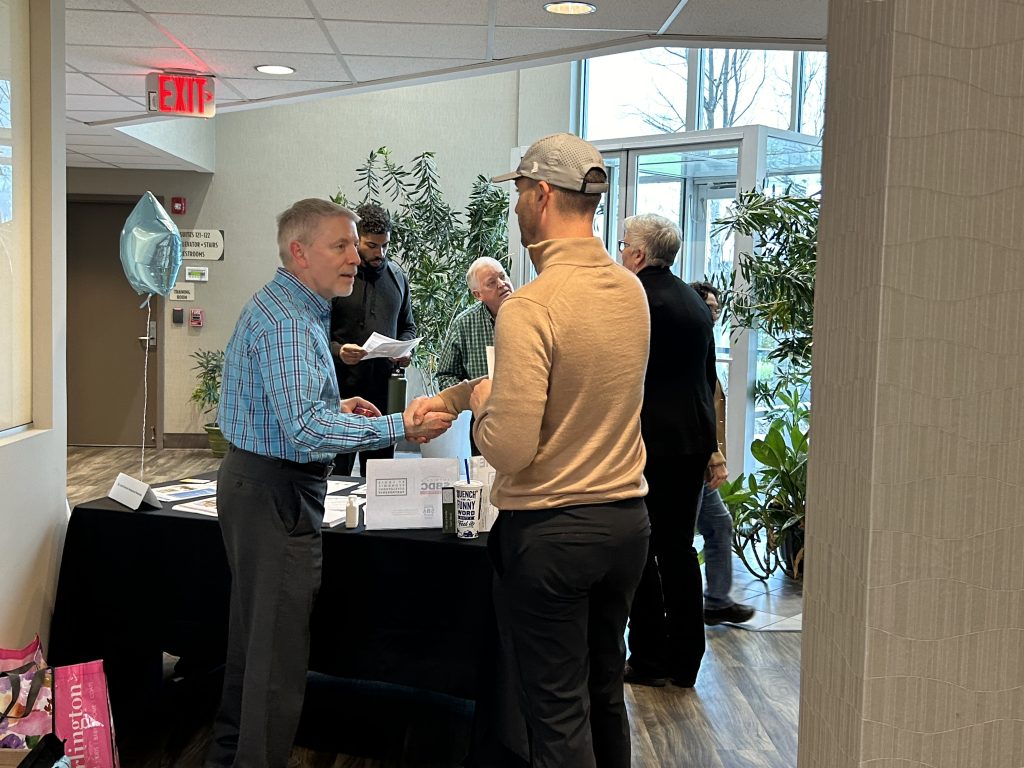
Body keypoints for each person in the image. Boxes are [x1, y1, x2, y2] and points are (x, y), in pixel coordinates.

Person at [413, 133, 650, 768]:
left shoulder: (532, 307)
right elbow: (582, 398)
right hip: (626, 523)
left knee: (556, 714)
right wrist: (466, 393)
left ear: (542, 194)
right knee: (604, 696)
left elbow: (511, 450)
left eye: (518, 192)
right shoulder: (631, 292)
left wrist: (481, 402)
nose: (515, 206)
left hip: (552, 533)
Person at [205, 198, 453, 768]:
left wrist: (333, 403)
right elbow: (307, 430)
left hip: (258, 483)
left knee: (252, 650)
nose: (353, 257)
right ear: (299, 252)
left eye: (353, 244)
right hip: (276, 493)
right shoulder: (293, 321)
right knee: (275, 665)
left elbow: (289, 410)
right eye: (339, 245)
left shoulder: (290, 306)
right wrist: (401, 423)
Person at [619, 213, 719, 689]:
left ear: (638, 255)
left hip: (650, 444)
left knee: (641, 551)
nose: (619, 255)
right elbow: (708, 379)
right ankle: (686, 661)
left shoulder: (635, 303)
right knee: (678, 552)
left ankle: (648, 659)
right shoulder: (696, 303)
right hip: (693, 442)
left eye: (622, 247)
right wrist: (714, 449)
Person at [330, 202, 416, 476]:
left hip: (382, 396)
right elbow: (315, 333)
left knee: (379, 477)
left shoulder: (398, 278)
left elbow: (408, 327)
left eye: (385, 246)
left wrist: (405, 350)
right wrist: (339, 350)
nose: (380, 253)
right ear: (356, 241)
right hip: (340, 394)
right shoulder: (337, 279)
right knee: (336, 474)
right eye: (372, 245)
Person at [690, 280, 755, 625]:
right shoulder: (690, 348)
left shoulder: (705, 345)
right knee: (681, 538)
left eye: (716, 308)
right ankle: (675, 612)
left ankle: (716, 601)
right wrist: (711, 457)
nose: (715, 314)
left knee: (719, 525)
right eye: (710, 308)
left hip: (704, 462)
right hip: (691, 461)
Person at [436, 256, 513, 455]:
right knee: (485, 477)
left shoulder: (532, 313)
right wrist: (471, 397)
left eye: (503, 276)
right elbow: (445, 375)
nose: (502, 284)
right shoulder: (464, 324)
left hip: (527, 412)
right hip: (484, 416)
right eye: (492, 283)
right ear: (478, 294)